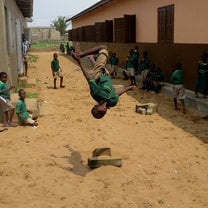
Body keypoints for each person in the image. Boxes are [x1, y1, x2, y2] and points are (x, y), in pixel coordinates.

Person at [71, 44, 135, 119]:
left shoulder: (97, 94)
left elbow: (88, 78)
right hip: (106, 75)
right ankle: (91, 58)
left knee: (103, 48)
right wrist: (127, 88)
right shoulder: (113, 102)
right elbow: (116, 94)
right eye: (102, 114)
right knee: (99, 66)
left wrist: (80, 63)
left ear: (96, 106)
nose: (102, 112)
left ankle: (81, 55)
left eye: (98, 112)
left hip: (97, 76)